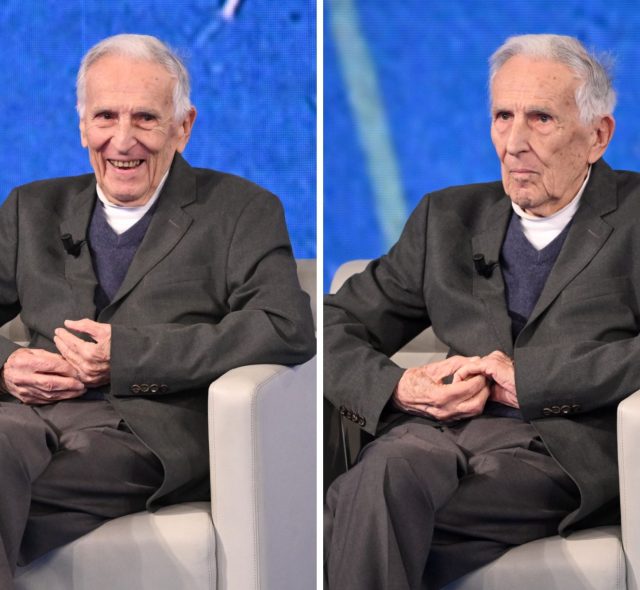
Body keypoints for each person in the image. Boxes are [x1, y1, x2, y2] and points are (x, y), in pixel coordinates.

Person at [0, 33, 315, 587]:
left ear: (183, 126)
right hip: (27, 416)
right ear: (82, 126)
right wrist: (6, 365)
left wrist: (130, 357)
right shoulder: (32, 207)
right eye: (105, 117)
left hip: (146, 433)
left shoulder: (241, 210)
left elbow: (285, 327)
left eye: (145, 118)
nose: (122, 140)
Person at [324, 33, 631, 589]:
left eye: (541, 118)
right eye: (503, 116)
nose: (514, 143)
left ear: (597, 135)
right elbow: (326, 324)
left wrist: (533, 380)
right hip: (434, 438)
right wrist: (399, 387)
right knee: (384, 475)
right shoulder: (447, 218)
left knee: (352, 507)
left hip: (558, 453)